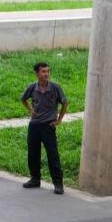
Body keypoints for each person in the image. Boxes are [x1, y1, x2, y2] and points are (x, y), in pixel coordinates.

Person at [21, 62, 68, 195]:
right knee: (33, 153)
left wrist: (59, 120)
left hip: (48, 126)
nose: (46, 74)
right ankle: (35, 179)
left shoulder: (55, 88)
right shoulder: (32, 88)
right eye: (43, 72)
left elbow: (65, 103)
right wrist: (31, 109)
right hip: (34, 125)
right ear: (37, 73)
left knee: (53, 155)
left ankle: (58, 183)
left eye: (48, 71)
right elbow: (23, 99)